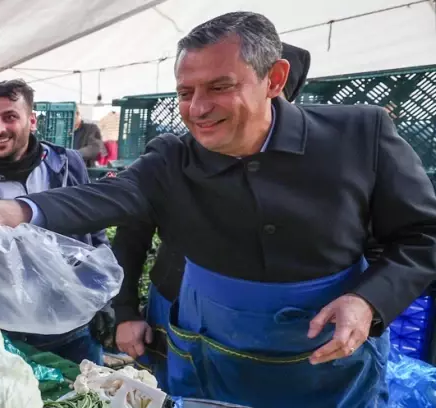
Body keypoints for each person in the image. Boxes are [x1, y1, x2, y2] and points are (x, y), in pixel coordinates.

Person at [0, 11, 436, 408]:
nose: (198, 108)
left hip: (329, 366)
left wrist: (369, 300)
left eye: (219, 87)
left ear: (275, 78)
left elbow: (426, 235)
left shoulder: (360, 135)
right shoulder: (174, 156)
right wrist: (17, 211)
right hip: (214, 360)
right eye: (186, 93)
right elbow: (112, 198)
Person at [118, 40, 314, 387]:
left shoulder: (313, 160)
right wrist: (125, 312)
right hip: (176, 306)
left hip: (286, 325)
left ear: (277, 86)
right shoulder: (180, 159)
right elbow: (132, 234)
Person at [0, 79, 108, 364]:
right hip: (11, 329)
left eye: (10, 117)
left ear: (31, 120)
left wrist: (104, 299)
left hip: (75, 323)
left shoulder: (67, 165)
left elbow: (94, 232)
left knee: (86, 398)